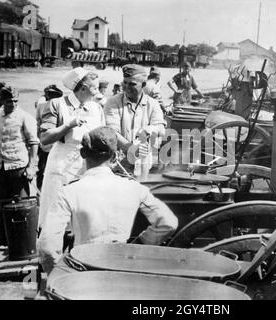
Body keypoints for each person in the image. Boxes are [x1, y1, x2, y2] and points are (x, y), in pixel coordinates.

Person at [38, 126, 178, 274]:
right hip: (123, 269)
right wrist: (141, 242)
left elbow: (47, 245)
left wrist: (59, 276)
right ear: (115, 156)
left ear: (83, 153)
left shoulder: (68, 192)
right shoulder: (134, 188)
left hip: (84, 271)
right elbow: (169, 223)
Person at [38, 67, 106, 230]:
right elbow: (44, 139)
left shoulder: (95, 108)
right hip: (61, 168)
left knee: (83, 219)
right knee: (57, 219)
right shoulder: (56, 104)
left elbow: (103, 134)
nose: (98, 92)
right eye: (95, 88)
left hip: (87, 169)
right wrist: (68, 124)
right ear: (83, 88)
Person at [0, 86, 39, 247]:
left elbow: (34, 143)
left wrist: (32, 167)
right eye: (8, 101)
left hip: (18, 166)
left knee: (20, 205)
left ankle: (21, 242)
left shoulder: (25, 117)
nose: (12, 103)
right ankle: (2, 239)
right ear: (1, 101)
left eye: (15, 101)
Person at [104, 64, 166, 173]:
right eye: (125, 83)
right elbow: (112, 131)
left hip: (143, 165)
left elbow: (160, 128)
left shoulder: (153, 104)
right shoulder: (113, 102)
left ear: (143, 84)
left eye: (132, 84)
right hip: (118, 165)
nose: (127, 87)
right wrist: (131, 149)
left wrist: (150, 129)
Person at [35, 85, 64, 190]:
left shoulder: (61, 105)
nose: (49, 97)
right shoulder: (41, 106)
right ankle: (41, 193)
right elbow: (38, 124)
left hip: (58, 145)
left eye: (52, 95)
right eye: (48, 95)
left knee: (57, 171)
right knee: (42, 170)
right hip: (45, 145)